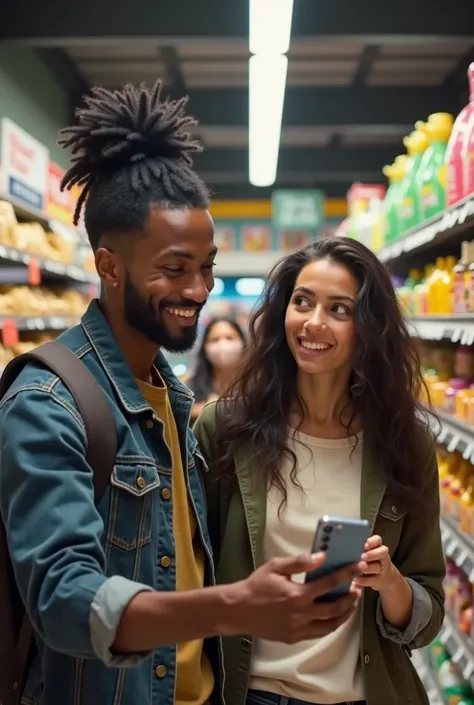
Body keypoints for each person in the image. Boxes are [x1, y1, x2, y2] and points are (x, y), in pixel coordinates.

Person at [0, 84, 364, 705]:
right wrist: (234, 608)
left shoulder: (175, 398)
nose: (197, 289)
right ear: (109, 266)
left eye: (208, 266)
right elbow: (64, 599)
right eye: (174, 268)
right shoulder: (48, 401)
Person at [194, 236, 446, 705]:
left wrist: (390, 582)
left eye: (339, 310)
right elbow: (192, 576)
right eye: (302, 302)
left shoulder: (404, 445)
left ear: (367, 327)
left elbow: (428, 614)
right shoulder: (226, 428)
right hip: (250, 693)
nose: (313, 322)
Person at [186, 316, 246, 421]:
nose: (223, 345)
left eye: (229, 338)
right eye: (215, 339)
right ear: (205, 348)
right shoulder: (189, 389)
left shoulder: (258, 384)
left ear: (243, 343)